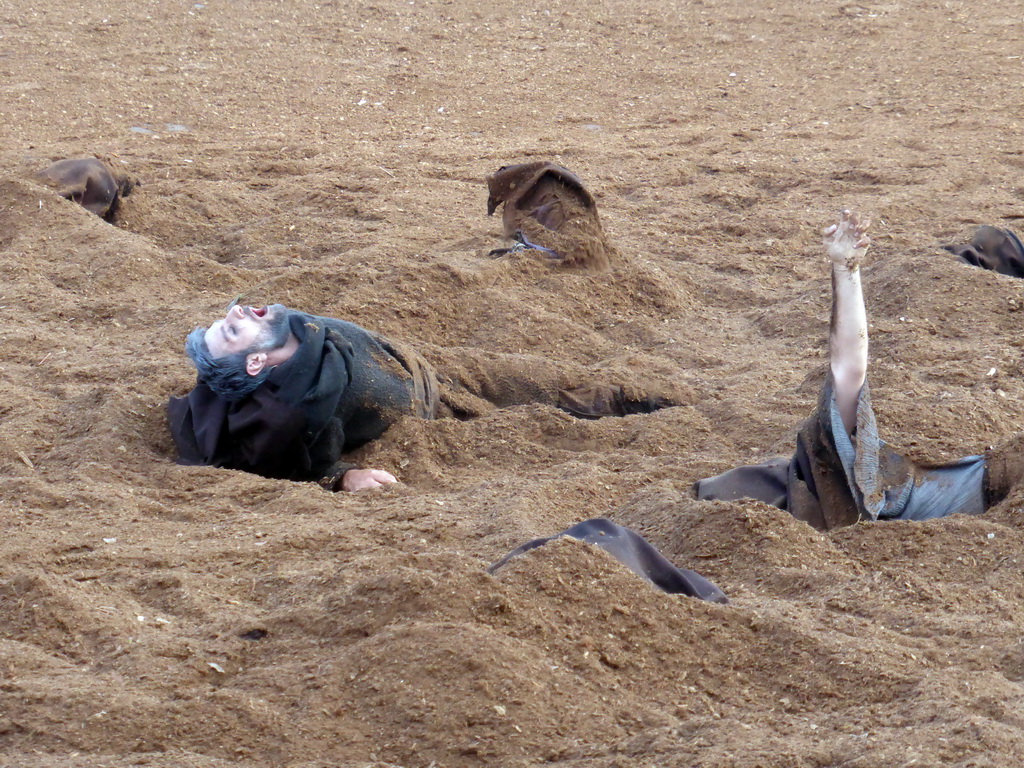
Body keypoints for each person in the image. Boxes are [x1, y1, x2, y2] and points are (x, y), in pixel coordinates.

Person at [694, 210, 1024, 530]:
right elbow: (848, 366)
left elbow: (849, 364)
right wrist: (845, 270)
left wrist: (846, 271)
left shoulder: (836, 460)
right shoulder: (851, 497)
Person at [168, 303, 678, 491]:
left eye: (226, 319)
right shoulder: (293, 410)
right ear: (256, 364)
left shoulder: (284, 329)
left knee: (563, 378)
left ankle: (667, 398)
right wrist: (345, 478)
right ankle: (672, 418)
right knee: (564, 399)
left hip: (425, 360)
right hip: (434, 407)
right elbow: (288, 468)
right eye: (232, 333)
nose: (237, 313)